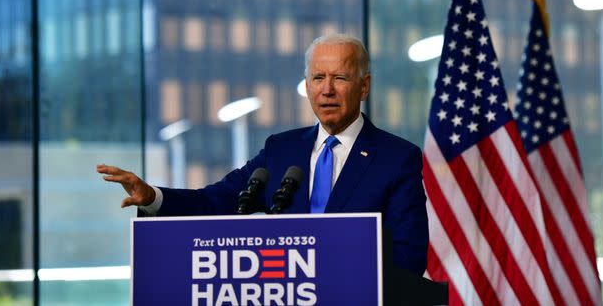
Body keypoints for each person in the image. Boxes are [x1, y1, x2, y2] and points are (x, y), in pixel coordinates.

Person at [98, 33, 429, 274]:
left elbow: (409, 255)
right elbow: (215, 201)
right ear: (307, 85)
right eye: (318, 78)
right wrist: (153, 196)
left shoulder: (397, 159)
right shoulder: (280, 150)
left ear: (364, 86)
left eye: (339, 78)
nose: (326, 89)